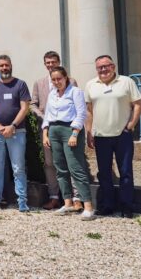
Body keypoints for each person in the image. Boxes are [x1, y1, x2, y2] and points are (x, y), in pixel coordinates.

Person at [85, 54, 141, 218]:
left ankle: (127, 206)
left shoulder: (126, 82)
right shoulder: (91, 84)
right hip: (101, 136)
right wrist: (89, 132)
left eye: (106, 66)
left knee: (125, 172)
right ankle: (107, 205)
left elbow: (138, 104)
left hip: (122, 135)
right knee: (104, 172)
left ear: (113, 66)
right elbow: (89, 110)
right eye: (100, 67)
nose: (103, 69)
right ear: (96, 68)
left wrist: (131, 125)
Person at [42, 66, 95, 220]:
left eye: (59, 78)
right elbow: (47, 115)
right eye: (54, 79)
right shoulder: (52, 94)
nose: (57, 82)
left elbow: (81, 113)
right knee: (60, 168)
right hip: (54, 130)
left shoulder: (75, 92)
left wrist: (75, 133)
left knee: (76, 167)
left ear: (66, 78)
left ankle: (88, 206)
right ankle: (67, 202)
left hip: (70, 130)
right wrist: (45, 133)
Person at [0, 55, 31, 212]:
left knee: (18, 167)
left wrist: (12, 126)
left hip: (17, 132)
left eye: (6, 65)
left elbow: (25, 108)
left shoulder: (20, 84)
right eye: (1, 66)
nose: (4, 68)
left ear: (11, 65)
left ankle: (22, 201)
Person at [31, 51, 80, 210]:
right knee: (50, 163)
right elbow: (33, 104)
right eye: (48, 62)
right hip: (47, 128)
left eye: (53, 62)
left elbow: (77, 104)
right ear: (44, 64)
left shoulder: (71, 81)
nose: (50, 64)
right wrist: (44, 116)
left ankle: (76, 197)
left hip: (67, 128)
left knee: (71, 162)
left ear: (59, 62)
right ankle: (54, 197)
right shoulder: (39, 83)